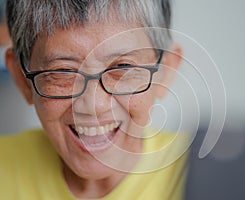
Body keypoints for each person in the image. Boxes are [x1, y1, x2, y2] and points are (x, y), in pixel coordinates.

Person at [1, 0, 189, 199]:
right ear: (22, 79)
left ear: (165, 71)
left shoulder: (204, 176)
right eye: (63, 72)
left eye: (122, 68)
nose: (94, 106)